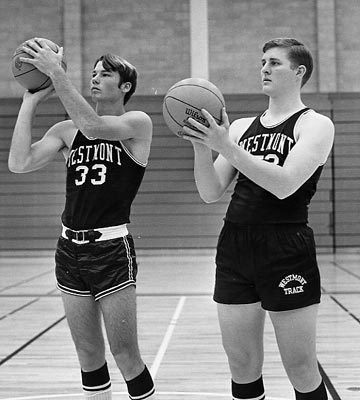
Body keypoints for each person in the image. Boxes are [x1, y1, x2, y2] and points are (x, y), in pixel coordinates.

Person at [182, 38, 334, 400]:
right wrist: (202, 148)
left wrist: (227, 147)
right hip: (234, 245)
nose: (264, 68)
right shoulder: (239, 128)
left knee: (299, 365)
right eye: (263, 61)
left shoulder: (314, 124)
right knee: (241, 362)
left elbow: (284, 185)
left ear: (299, 72)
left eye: (275, 63)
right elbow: (211, 191)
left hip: (285, 246)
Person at [8, 38, 156, 400]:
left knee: (125, 355)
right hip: (69, 249)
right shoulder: (65, 132)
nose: (95, 78)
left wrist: (56, 72)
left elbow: (93, 127)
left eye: (105, 74)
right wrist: (30, 101)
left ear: (125, 87)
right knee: (88, 354)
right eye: (92, 73)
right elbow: (19, 162)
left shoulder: (135, 123)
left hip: (110, 249)